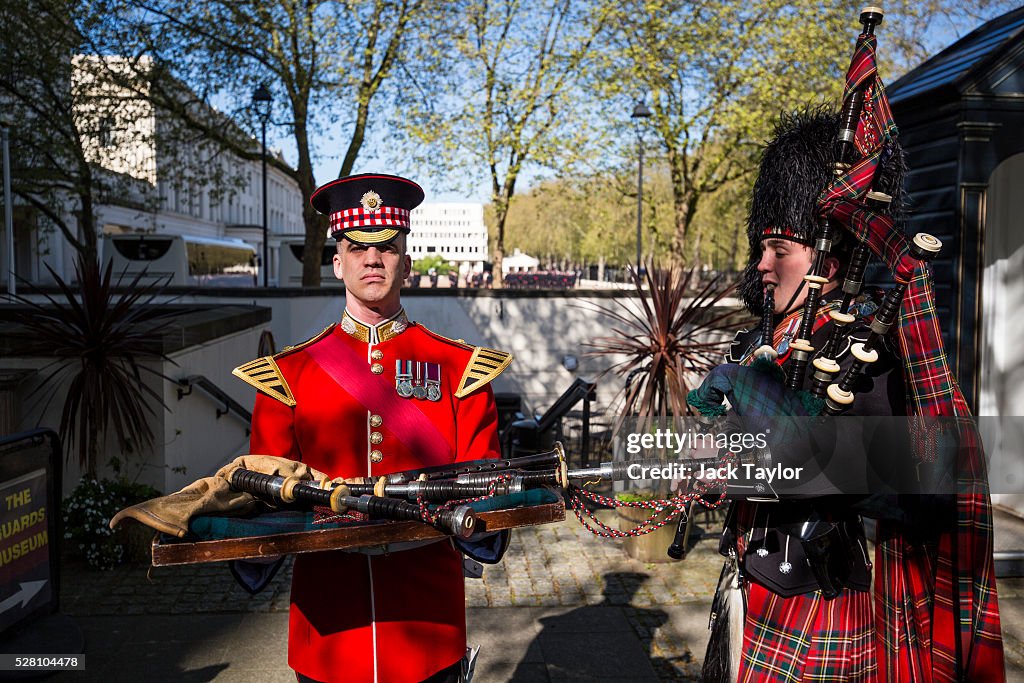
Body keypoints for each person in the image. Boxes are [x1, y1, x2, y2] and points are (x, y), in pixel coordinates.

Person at [696, 109, 1004, 682]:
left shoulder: (866, 350)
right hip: (749, 586)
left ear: (827, 261)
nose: (761, 264)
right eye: (761, 247)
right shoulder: (765, 342)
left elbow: (911, 484)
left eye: (778, 249)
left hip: (821, 604)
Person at [232, 173, 512, 683]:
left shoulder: (461, 369)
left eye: (387, 247)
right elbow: (264, 502)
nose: (373, 259)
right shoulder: (285, 377)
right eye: (357, 247)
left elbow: (485, 489)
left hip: (427, 623)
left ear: (406, 262)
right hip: (330, 628)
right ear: (337, 263)